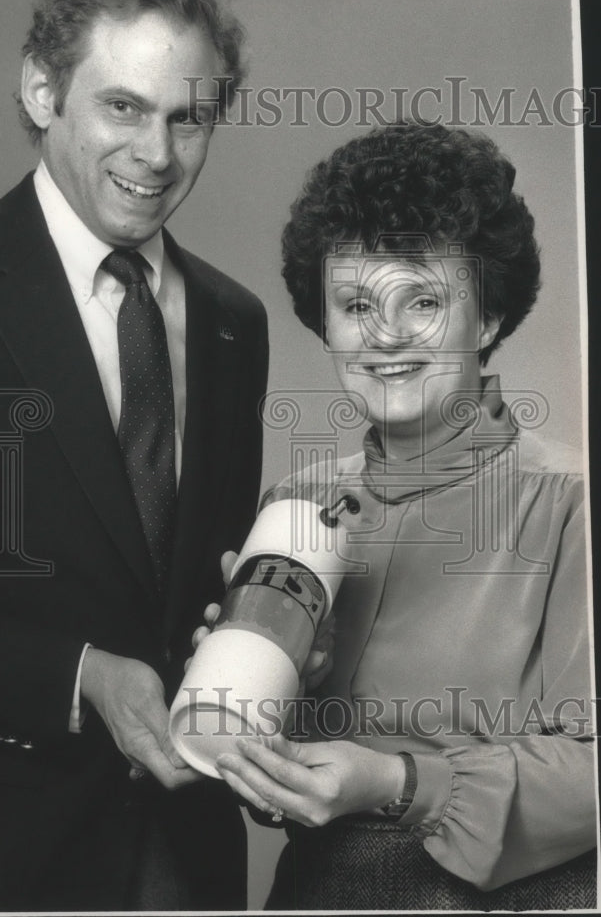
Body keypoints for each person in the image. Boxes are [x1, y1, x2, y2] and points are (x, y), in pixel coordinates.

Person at [0, 0, 268, 912]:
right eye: (123, 107)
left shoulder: (233, 321)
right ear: (41, 91)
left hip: (189, 853)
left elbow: (200, 587)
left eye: (188, 118)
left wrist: (266, 642)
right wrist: (79, 677)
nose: (157, 154)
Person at [211, 123, 596, 909]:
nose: (385, 335)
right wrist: (259, 698)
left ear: (486, 319)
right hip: (318, 891)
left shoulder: (570, 501)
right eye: (356, 303)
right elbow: (263, 781)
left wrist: (397, 783)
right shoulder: (297, 505)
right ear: (324, 323)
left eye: (422, 300)